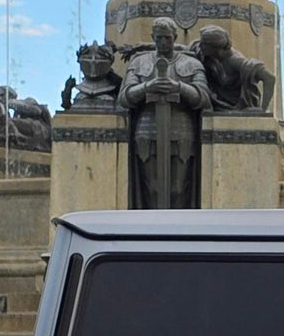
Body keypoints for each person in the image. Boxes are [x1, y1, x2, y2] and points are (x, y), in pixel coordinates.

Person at [118, 16, 212, 209]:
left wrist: (179, 86)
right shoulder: (139, 63)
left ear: (175, 37)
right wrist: (147, 86)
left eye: (167, 38)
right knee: (151, 189)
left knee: (178, 189)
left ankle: (179, 227)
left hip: (181, 130)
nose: (163, 42)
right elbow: (124, 98)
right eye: (159, 37)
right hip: (147, 129)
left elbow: (203, 98)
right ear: (153, 37)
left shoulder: (191, 64)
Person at [194, 25, 275, 112]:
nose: (200, 46)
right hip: (217, 106)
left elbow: (269, 78)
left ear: (215, 47)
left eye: (204, 44)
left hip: (233, 108)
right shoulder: (212, 56)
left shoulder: (236, 61)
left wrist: (263, 109)